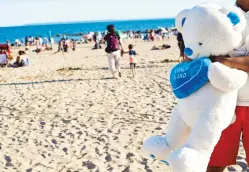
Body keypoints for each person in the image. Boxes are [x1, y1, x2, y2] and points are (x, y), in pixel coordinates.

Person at [207, 1, 249, 171]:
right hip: (223, 102)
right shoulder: (220, 15)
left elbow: (216, 60)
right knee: (214, 165)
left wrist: (226, 61)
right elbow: (202, 56)